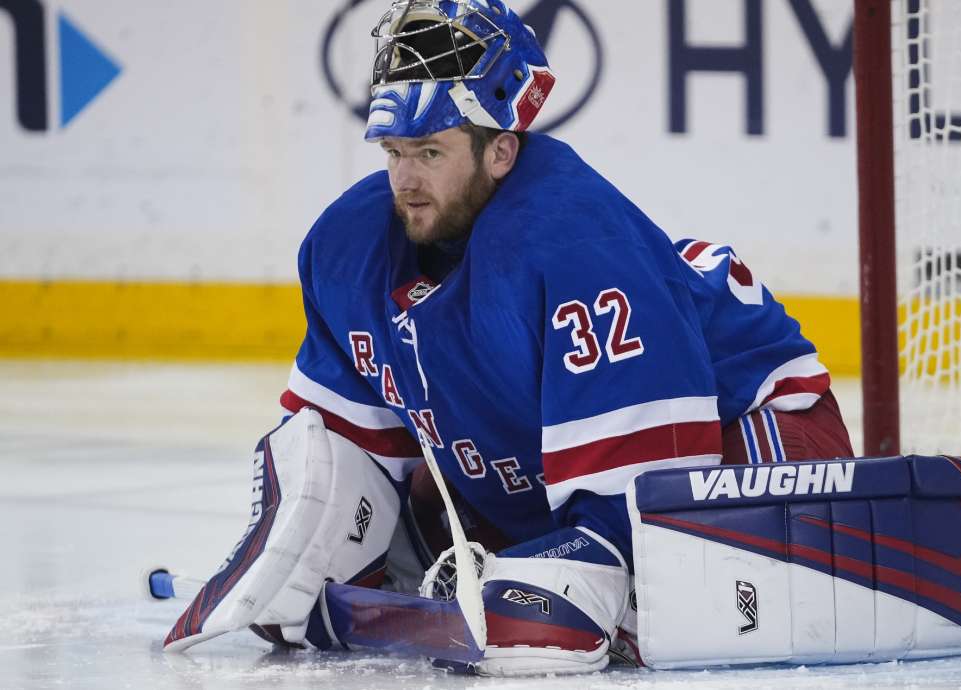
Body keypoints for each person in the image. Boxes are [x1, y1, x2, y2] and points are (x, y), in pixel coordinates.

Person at [165, 0, 852, 675]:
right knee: (320, 573)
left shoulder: (573, 244)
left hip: (743, 430)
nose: (405, 181)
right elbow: (339, 455)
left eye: (430, 152)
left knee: (590, 623)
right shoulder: (347, 248)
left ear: (501, 150)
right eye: (394, 152)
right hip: (540, 471)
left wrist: (584, 581)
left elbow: (644, 493)